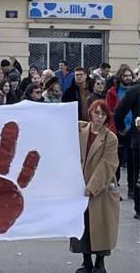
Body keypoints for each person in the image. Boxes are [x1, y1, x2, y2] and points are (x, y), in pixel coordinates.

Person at [70, 100, 120, 273]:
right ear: (90, 112)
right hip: (79, 185)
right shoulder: (80, 130)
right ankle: (86, 262)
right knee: (82, 226)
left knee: (101, 226)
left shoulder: (110, 138)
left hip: (101, 188)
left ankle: (100, 263)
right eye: (96, 113)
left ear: (107, 117)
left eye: (103, 114)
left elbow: (108, 164)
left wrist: (92, 186)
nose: (99, 117)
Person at [113, 82, 140, 218]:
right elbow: (118, 112)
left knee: (138, 175)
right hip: (137, 140)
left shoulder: (134, 90)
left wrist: (122, 128)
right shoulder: (134, 91)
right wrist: (122, 129)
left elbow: (118, 112)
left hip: (137, 139)